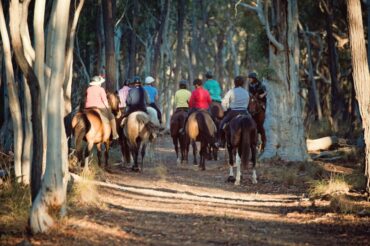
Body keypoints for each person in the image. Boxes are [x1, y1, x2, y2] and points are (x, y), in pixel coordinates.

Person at [217, 76, 250, 147]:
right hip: (244, 111)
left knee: (222, 124)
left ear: (235, 83)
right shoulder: (246, 92)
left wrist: (225, 110)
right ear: (243, 84)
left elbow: (224, 103)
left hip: (233, 112)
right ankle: (256, 141)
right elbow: (247, 102)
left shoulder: (231, 91)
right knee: (253, 124)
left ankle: (220, 141)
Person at [85, 75, 119, 140]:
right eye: (100, 83)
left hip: (88, 108)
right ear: (98, 83)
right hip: (99, 107)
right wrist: (108, 108)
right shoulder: (101, 89)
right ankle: (114, 134)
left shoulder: (88, 89)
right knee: (111, 116)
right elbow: (104, 100)